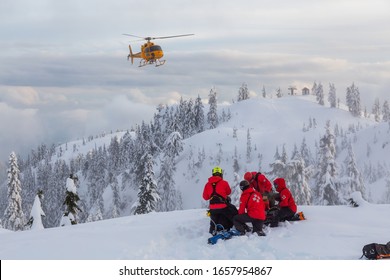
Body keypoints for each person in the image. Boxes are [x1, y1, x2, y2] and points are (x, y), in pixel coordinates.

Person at [203, 166, 236, 235]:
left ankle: (212, 230)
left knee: (214, 221)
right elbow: (228, 192)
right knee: (232, 213)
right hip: (223, 207)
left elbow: (205, 197)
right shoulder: (224, 183)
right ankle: (232, 227)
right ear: (221, 174)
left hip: (212, 208)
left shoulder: (207, 184)